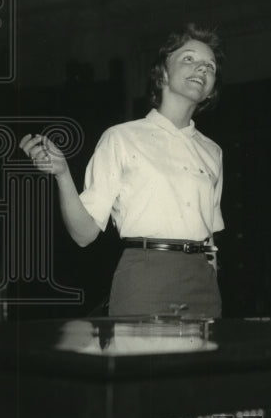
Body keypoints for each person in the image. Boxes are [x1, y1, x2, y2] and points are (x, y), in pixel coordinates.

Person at [20, 24, 224, 318]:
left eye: (210, 66)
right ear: (163, 74)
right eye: (189, 59)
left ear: (210, 91)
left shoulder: (213, 152)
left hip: (202, 284)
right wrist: (63, 174)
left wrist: (211, 281)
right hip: (146, 277)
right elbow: (84, 234)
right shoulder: (121, 137)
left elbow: (210, 240)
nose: (202, 69)